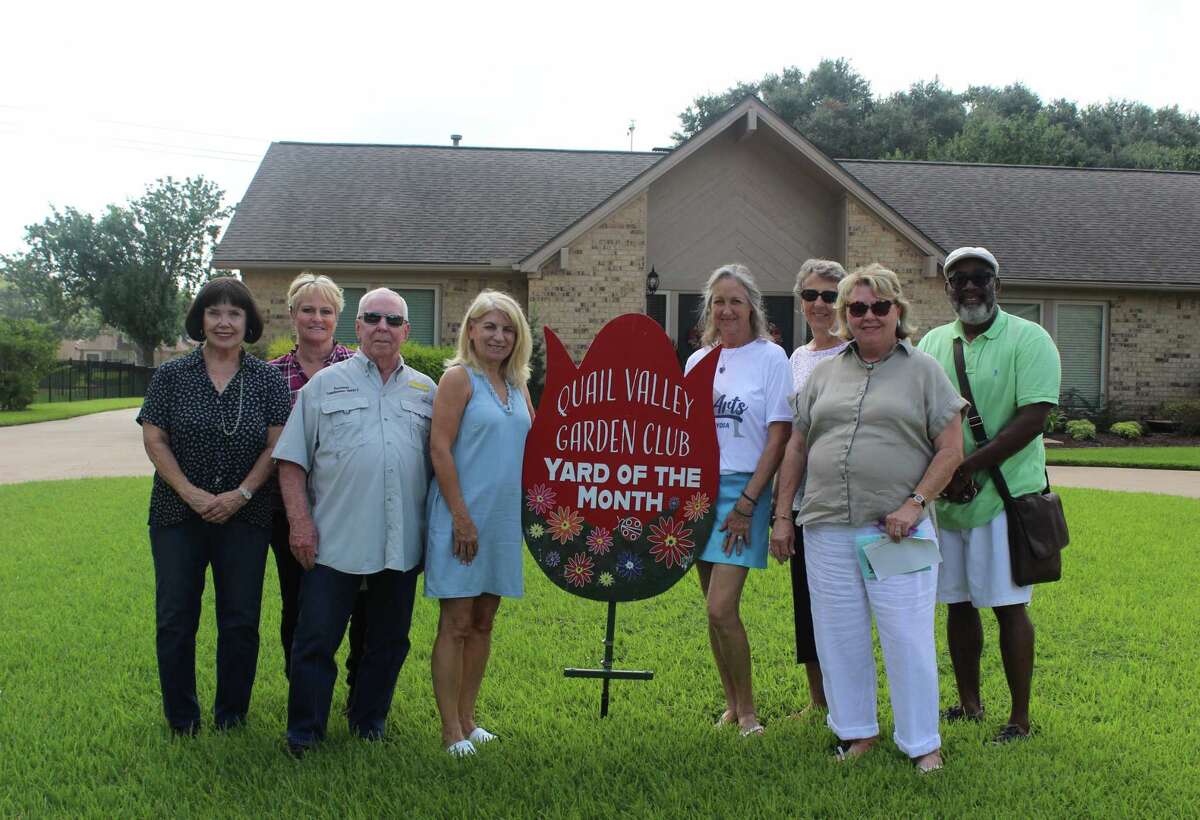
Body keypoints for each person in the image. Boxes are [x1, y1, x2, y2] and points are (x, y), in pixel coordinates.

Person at [771, 263, 966, 773]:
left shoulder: (924, 370)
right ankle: (856, 732)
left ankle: (923, 743)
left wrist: (915, 504)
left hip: (897, 530)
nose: (869, 316)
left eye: (880, 306)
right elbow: (797, 445)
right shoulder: (824, 374)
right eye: (856, 308)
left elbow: (950, 451)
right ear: (843, 316)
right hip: (826, 526)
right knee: (838, 635)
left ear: (897, 311)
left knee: (907, 635)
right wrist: (783, 517)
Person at [273, 288, 436, 755]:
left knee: (388, 642)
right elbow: (291, 461)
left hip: (399, 543)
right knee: (315, 640)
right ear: (358, 327)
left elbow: (443, 462)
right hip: (333, 541)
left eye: (393, 320)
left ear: (407, 331)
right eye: (372, 318)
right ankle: (304, 731)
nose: (382, 327)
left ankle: (369, 722)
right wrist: (299, 524)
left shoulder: (427, 391)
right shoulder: (324, 385)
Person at [917, 246, 1061, 744]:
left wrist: (968, 466)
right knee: (957, 603)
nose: (971, 286)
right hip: (951, 500)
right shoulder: (933, 343)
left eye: (981, 278)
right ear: (948, 288)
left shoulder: (1029, 338)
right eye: (961, 280)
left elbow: (1033, 418)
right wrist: (944, 473)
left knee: (1006, 605)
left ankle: (1019, 719)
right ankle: (970, 704)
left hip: (1005, 496)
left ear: (997, 284)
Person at [137, 277, 291, 735]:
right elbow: (154, 437)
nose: (224, 322)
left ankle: (231, 716)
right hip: (176, 515)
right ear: (200, 320)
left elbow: (276, 444)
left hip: (246, 516)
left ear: (249, 323)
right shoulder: (171, 376)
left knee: (241, 619)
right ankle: (182, 718)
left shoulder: (266, 379)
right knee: (175, 618)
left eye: (234, 314)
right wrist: (192, 492)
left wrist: (240, 495)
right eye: (214, 313)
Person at [425, 290, 534, 757]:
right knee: (456, 622)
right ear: (470, 329)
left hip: (504, 519)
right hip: (461, 517)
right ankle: (450, 730)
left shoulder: (518, 383)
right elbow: (439, 449)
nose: (498, 336)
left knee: (485, 621)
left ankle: (469, 721)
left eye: (508, 328)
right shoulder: (458, 378)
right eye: (489, 326)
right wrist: (461, 518)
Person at [684, 264, 791, 738]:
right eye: (719, 302)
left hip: (744, 490)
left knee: (720, 608)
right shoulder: (697, 361)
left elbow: (778, 436)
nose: (726, 310)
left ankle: (748, 713)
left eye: (736, 301)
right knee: (712, 607)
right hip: (698, 492)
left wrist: (749, 504)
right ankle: (730, 706)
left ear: (752, 308)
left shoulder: (771, 358)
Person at [264, 273, 358, 687]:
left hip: (348, 505)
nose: (316, 318)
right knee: (297, 600)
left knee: (358, 602)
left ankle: (360, 687)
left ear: (338, 317)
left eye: (326, 311)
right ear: (292, 315)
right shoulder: (271, 375)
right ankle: (301, 684)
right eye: (307, 310)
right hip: (288, 507)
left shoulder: (359, 368)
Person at [779, 259, 849, 719]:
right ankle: (818, 700)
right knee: (808, 605)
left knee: (847, 610)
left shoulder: (855, 352)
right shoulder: (798, 358)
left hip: (849, 503)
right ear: (800, 302)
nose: (820, 305)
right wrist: (783, 508)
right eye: (811, 296)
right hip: (806, 503)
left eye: (829, 295)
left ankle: (849, 702)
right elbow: (790, 438)